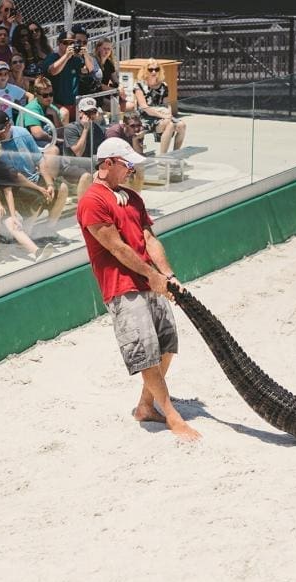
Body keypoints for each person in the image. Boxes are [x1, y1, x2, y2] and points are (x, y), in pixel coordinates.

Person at [76, 137, 200, 442]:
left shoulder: (131, 198)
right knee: (145, 355)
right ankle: (172, 416)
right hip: (121, 288)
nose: (131, 169)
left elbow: (149, 239)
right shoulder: (92, 201)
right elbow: (116, 248)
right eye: (126, 164)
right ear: (107, 165)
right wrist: (153, 276)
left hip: (148, 282)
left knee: (167, 348)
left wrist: (167, 275)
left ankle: (145, 406)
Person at [0, 134, 54, 264]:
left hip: (0, 199)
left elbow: (8, 192)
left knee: (13, 223)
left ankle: (37, 252)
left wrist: (13, 215)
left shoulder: (2, 166)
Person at [0, 110, 68, 243]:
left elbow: (40, 161)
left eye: (0, 130)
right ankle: (25, 237)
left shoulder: (22, 133)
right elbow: (13, 175)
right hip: (13, 185)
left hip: (33, 178)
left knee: (62, 188)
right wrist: (40, 188)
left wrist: (49, 184)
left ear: (8, 125)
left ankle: (48, 229)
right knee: (38, 198)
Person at [133, 59, 187, 155]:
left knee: (182, 125)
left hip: (161, 115)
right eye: (150, 69)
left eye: (156, 69)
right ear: (145, 70)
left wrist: (169, 113)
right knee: (169, 124)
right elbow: (144, 107)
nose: (154, 72)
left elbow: (166, 103)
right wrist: (164, 116)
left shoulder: (163, 85)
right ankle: (163, 157)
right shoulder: (139, 86)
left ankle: (176, 154)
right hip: (145, 117)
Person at [45, 31, 95, 119]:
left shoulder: (75, 59)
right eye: (65, 43)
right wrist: (66, 56)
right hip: (57, 104)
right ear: (58, 43)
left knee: (94, 114)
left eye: (71, 43)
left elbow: (89, 69)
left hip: (74, 103)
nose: (68, 45)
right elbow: (53, 71)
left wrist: (86, 54)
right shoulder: (52, 57)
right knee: (65, 114)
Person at [62, 97, 106, 196]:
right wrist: (86, 129)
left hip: (91, 164)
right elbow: (78, 153)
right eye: (87, 113)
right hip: (72, 167)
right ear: (80, 113)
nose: (90, 116)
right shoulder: (71, 129)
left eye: (93, 112)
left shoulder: (99, 129)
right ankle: (83, 208)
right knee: (87, 176)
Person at [17, 75, 65, 147]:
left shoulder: (53, 108)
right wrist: (55, 140)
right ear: (36, 95)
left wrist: (55, 115)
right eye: (45, 95)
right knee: (54, 149)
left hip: (44, 141)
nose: (49, 98)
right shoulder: (32, 108)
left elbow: (61, 133)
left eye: (51, 94)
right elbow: (38, 134)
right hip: (27, 143)